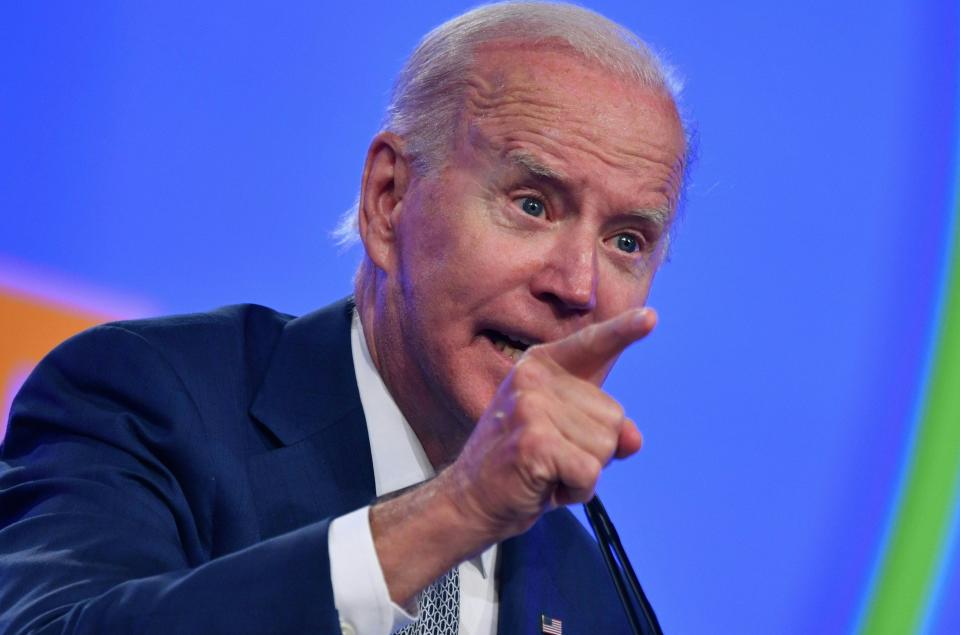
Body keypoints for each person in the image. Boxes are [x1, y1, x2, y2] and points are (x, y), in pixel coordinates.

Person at [0, 2, 689, 634]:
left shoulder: (594, 595)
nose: (577, 284)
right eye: (532, 204)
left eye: (627, 241)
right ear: (389, 199)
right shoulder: (145, 402)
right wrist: (453, 512)